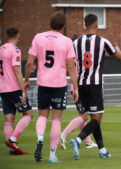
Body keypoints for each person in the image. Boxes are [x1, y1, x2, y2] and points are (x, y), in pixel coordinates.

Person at [69, 14, 121, 160]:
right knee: (96, 120)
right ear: (96, 25)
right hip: (94, 84)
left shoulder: (76, 43)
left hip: (81, 84)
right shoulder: (102, 41)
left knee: (94, 118)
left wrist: (75, 87)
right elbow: (120, 57)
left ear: (85, 25)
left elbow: (69, 63)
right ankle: (77, 140)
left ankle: (102, 150)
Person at [24, 11, 79, 163]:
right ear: (63, 26)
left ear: (50, 24)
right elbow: (71, 66)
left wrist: (26, 80)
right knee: (56, 119)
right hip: (59, 85)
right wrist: (76, 87)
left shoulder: (38, 37)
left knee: (42, 115)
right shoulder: (67, 41)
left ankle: (40, 138)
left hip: (42, 83)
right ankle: (52, 155)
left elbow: (29, 63)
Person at [0, 28, 33, 155]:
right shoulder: (15, 50)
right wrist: (23, 90)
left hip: (3, 89)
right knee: (28, 114)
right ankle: (12, 140)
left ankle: (11, 149)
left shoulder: (1, 49)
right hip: (13, 88)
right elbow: (17, 71)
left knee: (9, 118)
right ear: (18, 36)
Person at [59, 64, 97, 150]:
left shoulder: (74, 55)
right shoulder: (76, 55)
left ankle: (88, 141)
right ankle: (63, 135)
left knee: (83, 115)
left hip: (78, 87)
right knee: (84, 116)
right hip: (80, 88)